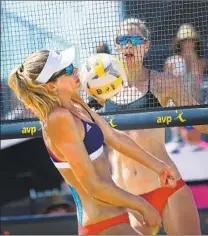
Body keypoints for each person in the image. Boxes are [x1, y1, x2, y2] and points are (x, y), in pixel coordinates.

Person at [92, 18, 208, 235]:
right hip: (128, 199)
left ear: (146, 45)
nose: (129, 45)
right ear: (116, 45)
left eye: (135, 39)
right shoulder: (101, 89)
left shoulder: (163, 82)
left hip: (167, 189)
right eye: (123, 39)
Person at [7, 47, 178, 235]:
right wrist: (142, 206)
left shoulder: (74, 101)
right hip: (101, 225)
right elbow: (93, 186)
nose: (76, 71)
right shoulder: (58, 119)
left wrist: (159, 167)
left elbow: (114, 137)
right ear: (51, 86)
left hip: (114, 216)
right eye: (68, 70)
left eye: (72, 66)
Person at [164, 23, 207, 103]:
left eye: (191, 40)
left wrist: (193, 58)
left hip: (196, 103)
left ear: (195, 42)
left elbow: (198, 82)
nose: (188, 43)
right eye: (184, 41)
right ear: (179, 43)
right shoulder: (170, 62)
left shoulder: (201, 62)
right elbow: (167, 86)